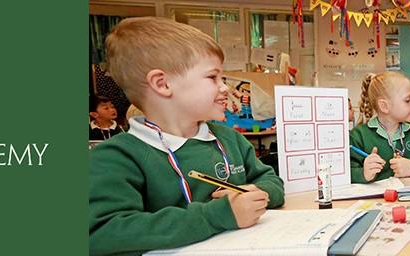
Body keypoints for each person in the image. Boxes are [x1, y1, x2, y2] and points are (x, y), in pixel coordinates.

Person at [89, 17, 284, 255]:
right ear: (162, 84)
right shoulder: (116, 157)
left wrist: (258, 193)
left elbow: (272, 181)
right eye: (213, 77)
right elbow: (102, 234)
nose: (225, 88)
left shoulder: (229, 139)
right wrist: (217, 215)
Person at [349, 71, 410, 183]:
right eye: (407, 100)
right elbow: (344, 173)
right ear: (384, 106)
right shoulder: (358, 136)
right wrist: (363, 173)